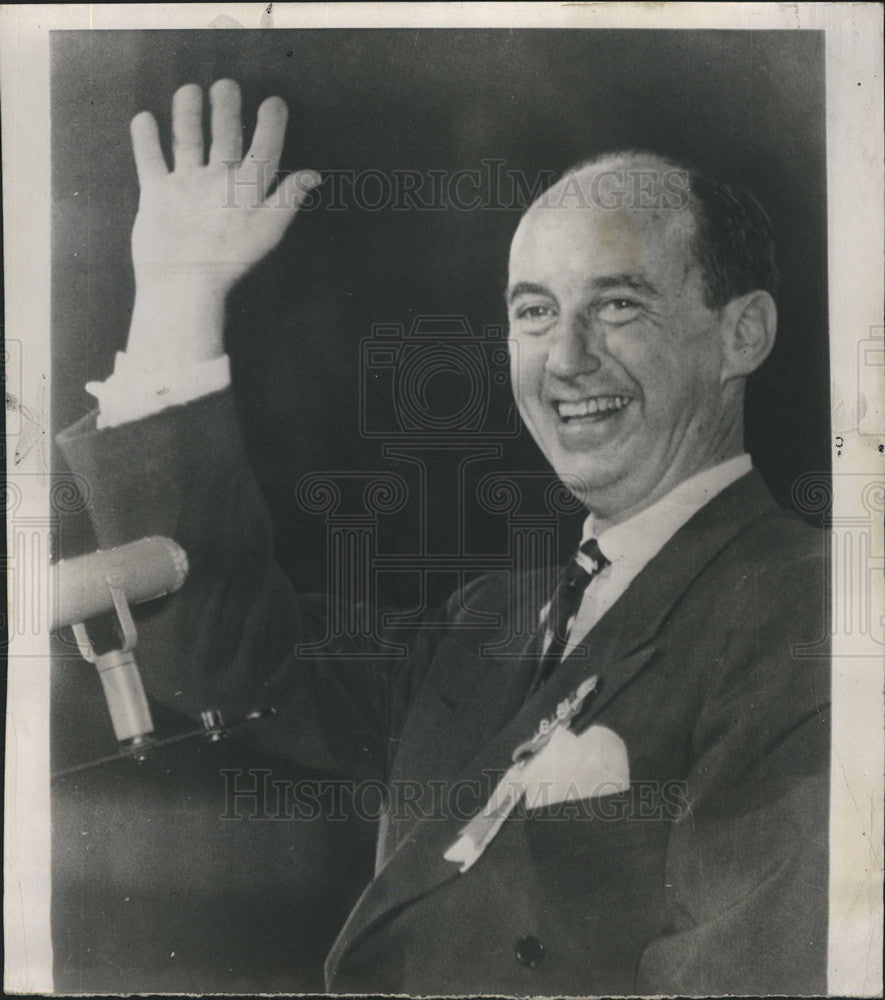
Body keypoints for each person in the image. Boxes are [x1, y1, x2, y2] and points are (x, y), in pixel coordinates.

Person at [58, 79, 830, 996]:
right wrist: (178, 304)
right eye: (533, 311)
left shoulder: (811, 609)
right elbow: (234, 657)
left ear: (741, 334)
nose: (567, 359)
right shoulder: (486, 620)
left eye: (618, 305)